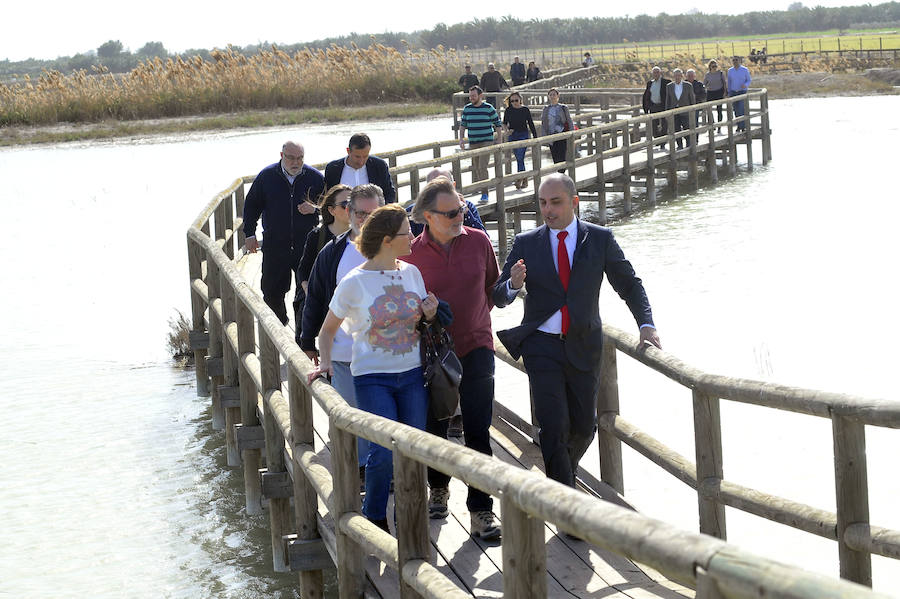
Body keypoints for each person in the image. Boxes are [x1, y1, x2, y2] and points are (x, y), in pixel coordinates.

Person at [492, 173, 661, 491]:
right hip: (541, 347)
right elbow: (497, 296)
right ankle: (565, 502)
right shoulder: (526, 242)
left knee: (585, 427)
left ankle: (561, 478)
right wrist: (513, 285)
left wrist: (646, 324)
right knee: (553, 426)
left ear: (574, 202)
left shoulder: (600, 239)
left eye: (555, 202)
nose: (548, 210)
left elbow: (629, 284)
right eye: (542, 203)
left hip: (584, 344)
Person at [308, 204, 438, 532]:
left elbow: (423, 320)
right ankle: (375, 516)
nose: (414, 236)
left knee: (413, 448)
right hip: (371, 376)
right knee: (382, 451)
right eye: (407, 232)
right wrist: (324, 364)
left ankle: (408, 522)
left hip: (412, 374)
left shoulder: (412, 273)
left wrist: (431, 312)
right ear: (386, 240)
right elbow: (326, 331)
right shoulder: (354, 282)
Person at [403, 177, 502, 541]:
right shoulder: (408, 256)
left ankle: (481, 512)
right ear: (428, 216)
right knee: (436, 428)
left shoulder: (478, 241)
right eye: (451, 213)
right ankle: (439, 488)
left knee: (478, 430)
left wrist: (475, 320)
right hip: (432, 355)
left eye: (461, 209)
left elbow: (491, 288)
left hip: (477, 347)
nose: (461, 215)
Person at [301, 184, 385, 483]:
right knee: (351, 416)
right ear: (348, 213)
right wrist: (307, 341)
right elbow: (316, 298)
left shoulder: (399, 249)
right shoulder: (333, 252)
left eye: (372, 213)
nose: (365, 219)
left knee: (380, 419)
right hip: (343, 353)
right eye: (360, 213)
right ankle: (360, 476)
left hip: (387, 357)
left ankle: (379, 474)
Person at [243, 141, 324, 325]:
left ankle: (302, 337)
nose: (296, 162)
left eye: (300, 158)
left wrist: (315, 209)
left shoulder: (315, 178)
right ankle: (280, 327)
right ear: (282, 155)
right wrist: (249, 234)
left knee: (306, 291)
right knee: (271, 292)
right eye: (291, 158)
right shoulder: (267, 176)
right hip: (275, 244)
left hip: (307, 245)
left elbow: (331, 208)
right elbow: (251, 206)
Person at [293, 184, 352, 344]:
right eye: (346, 204)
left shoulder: (362, 236)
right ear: (332, 210)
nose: (351, 208)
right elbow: (303, 271)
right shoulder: (317, 235)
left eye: (354, 203)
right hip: (320, 299)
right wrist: (312, 293)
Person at [407, 168, 485, 237]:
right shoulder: (413, 211)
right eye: (434, 188)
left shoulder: (468, 207)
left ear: (453, 185)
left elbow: (483, 239)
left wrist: (465, 212)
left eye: (447, 186)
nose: (458, 217)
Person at [324, 133, 396, 204]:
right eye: (357, 157)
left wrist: (381, 212)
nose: (361, 162)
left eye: (365, 156)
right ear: (348, 151)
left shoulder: (379, 166)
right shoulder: (332, 168)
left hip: (374, 214)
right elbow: (328, 199)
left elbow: (389, 193)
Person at [459, 85, 501, 204]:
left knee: (483, 166)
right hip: (474, 142)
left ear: (480, 96)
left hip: (486, 140)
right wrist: (461, 139)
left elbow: (497, 124)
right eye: (470, 96)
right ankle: (483, 189)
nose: (471, 98)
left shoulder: (488, 108)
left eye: (473, 96)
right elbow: (463, 125)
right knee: (477, 168)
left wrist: (499, 140)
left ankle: (485, 194)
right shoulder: (467, 108)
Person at [502, 91, 537, 189]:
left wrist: (535, 136)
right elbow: (504, 123)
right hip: (513, 135)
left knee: (521, 156)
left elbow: (530, 123)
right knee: (519, 158)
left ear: (520, 100)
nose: (514, 102)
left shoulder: (525, 110)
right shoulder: (508, 110)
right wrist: (507, 131)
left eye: (516, 100)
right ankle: (524, 178)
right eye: (512, 101)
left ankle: (519, 179)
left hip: (523, 135)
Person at [540, 88, 574, 174]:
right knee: (554, 155)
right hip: (551, 135)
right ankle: (559, 173)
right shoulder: (546, 108)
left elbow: (569, 120)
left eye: (554, 94)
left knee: (562, 154)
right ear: (548, 97)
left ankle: (561, 173)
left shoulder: (563, 107)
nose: (552, 96)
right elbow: (543, 122)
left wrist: (572, 132)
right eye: (550, 95)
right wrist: (544, 136)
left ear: (558, 96)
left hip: (562, 133)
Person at [665, 68, 696, 150]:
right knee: (676, 129)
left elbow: (692, 99)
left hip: (685, 111)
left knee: (686, 127)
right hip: (674, 111)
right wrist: (667, 112)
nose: (677, 77)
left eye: (679, 75)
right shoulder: (669, 86)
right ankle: (679, 145)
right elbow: (668, 100)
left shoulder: (688, 85)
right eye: (676, 76)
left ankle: (688, 143)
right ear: (673, 76)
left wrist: (693, 110)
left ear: (682, 76)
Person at [642, 66, 671, 150]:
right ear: (652, 74)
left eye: (657, 72)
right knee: (654, 125)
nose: (656, 74)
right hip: (653, 106)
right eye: (654, 72)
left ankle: (663, 142)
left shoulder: (666, 82)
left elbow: (670, 94)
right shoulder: (650, 83)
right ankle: (658, 139)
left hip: (663, 105)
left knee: (664, 125)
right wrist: (646, 107)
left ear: (660, 73)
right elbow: (646, 95)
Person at [727, 56, 752, 133]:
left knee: (741, 108)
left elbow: (749, 80)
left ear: (740, 61)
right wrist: (729, 92)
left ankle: (743, 126)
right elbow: (729, 82)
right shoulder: (730, 71)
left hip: (742, 91)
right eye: (733, 60)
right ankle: (738, 125)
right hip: (733, 92)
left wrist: (745, 85)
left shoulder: (744, 70)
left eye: (736, 60)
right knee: (736, 110)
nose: (735, 62)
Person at [703, 59, 727, 128]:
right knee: (709, 109)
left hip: (719, 92)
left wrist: (725, 92)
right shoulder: (708, 75)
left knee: (719, 109)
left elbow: (724, 83)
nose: (714, 67)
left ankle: (719, 125)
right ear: (710, 67)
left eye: (715, 66)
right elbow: (704, 84)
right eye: (713, 66)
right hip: (710, 93)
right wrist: (705, 88)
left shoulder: (720, 73)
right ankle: (712, 124)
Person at [686, 69, 707, 143]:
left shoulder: (699, 84)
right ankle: (688, 140)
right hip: (686, 107)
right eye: (689, 76)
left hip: (695, 106)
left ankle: (695, 140)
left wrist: (696, 97)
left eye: (692, 76)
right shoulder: (684, 84)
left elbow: (704, 95)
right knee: (686, 124)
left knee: (695, 123)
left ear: (694, 76)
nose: (690, 77)